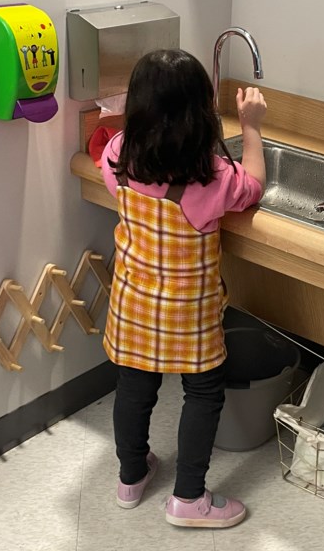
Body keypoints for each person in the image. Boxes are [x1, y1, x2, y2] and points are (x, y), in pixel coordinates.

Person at [99, 48, 267, 529]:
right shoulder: (211, 179)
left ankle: (131, 478)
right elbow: (253, 185)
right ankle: (189, 499)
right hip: (187, 314)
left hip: (132, 303)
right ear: (201, 112)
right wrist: (251, 125)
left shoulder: (118, 153)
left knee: (133, 389)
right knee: (203, 394)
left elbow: (113, 179)